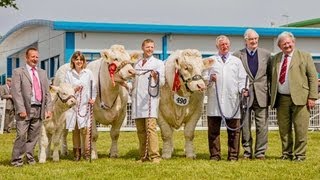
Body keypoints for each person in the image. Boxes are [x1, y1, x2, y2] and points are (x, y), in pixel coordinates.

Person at [270, 31, 318, 161]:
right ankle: (286, 154)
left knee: (300, 128)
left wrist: (312, 97)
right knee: (284, 129)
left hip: (301, 98)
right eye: (283, 44)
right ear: (279, 46)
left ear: (293, 42)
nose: (287, 45)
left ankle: (300, 155)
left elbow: (313, 77)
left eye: (288, 42)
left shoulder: (305, 56)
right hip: (281, 99)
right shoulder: (275, 58)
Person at [206, 35, 247, 161]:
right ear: (217, 46)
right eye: (222, 44)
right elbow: (202, 78)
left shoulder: (236, 61)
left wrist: (243, 90)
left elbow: (242, 79)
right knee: (213, 130)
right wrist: (209, 79)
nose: (225, 46)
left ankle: (233, 155)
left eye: (227, 44)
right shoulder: (210, 60)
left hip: (232, 99)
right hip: (215, 99)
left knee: (234, 131)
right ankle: (215, 155)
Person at [233, 29, 271, 160]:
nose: (254, 41)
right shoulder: (237, 55)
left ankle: (260, 152)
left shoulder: (266, 54)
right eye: (251, 39)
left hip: (262, 95)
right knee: (245, 126)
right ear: (245, 40)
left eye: (255, 39)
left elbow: (270, 76)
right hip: (245, 95)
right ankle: (247, 152)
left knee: (262, 126)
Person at [11, 47, 52, 167]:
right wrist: (21, 109)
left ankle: (30, 158)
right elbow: (16, 92)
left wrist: (48, 108)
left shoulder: (43, 73)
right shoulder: (18, 72)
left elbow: (47, 93)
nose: (35, 59)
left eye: (37, 57)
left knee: (33, 136)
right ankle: (16, 160)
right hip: (25, 109)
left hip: (39, 108)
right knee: (21, 135)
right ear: (27, 57)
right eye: (32, 57)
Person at [131, 39, 165, 163]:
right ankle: (143, 156)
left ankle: (155, 156)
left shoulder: (158, 63)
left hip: (150, 100)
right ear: (142, 47)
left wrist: (156, 76)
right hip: (137, 101)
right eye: (147, 47)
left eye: (151, 47)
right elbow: (134, 82)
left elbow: (162, 82)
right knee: (140, 130)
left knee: (151, 129)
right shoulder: (137, 63)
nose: (150, 49)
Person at [64, 51, 97, 161]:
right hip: (73, 106)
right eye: (77, 59)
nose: (79, 62)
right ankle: (76, 153)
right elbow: (66, 88)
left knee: (86, 129)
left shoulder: (88, 73)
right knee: (75, 130)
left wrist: (93, 99)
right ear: (73, 60)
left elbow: (93, 87)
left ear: (83, 62)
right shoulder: (69, 74)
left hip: (85, 105)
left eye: (81, 60)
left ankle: (86, 153)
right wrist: (74, 89)